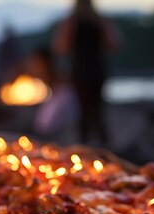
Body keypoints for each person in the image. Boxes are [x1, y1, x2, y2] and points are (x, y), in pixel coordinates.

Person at [53, 0, 120, 146]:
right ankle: (103, 144)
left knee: (84, 110)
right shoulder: (99, 21)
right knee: (97, 109)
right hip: (97, 69)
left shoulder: (72, 22)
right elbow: (113, 44)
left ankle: (85, 144)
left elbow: (60, 47)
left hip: (81, 70)